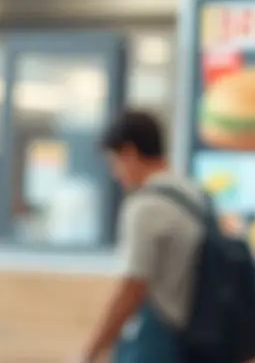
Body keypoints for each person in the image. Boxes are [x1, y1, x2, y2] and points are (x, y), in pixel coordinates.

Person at [76, 110, 205, 363]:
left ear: (129, 153)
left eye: (114, 163)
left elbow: (132, 288)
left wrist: (92, 350)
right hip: (198, 340)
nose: (116, 174)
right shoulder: (195, 195)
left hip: (160, 344)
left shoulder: (145, 207)